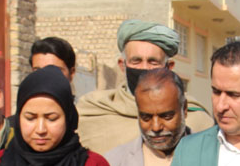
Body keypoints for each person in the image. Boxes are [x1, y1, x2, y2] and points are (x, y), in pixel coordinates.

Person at [76, 19, 212, 154]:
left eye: (153, 62)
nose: (145, 68)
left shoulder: (196, 118)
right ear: (122, 65)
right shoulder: (93, 111)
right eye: (136, 61)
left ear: (169, 67)